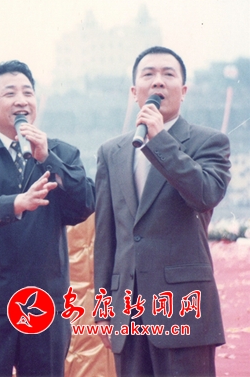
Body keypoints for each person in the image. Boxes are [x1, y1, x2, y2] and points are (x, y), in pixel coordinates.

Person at [0, 60, 95, 376]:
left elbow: (84, 204)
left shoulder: (62, 154)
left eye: (28, 92)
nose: (21, 100)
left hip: (43, 302)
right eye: (10, 93)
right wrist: (16, 203)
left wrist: (48, 159)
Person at [94, 46, 231, 376]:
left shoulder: (209, 142)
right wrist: (103, 307)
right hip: (128, 311)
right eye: (149, 74)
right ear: (134, 92)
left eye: (168, 74)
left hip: (184, 308)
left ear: (183, 91)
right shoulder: (112, 151)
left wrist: (159, 141)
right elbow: (106, 236)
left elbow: (206, 194)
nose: (158, 81)